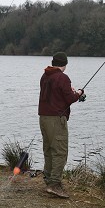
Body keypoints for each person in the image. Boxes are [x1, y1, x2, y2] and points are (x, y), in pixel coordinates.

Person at [38, 52, 85, 199]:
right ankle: (55, 184)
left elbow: (56, 94)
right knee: (60, 151)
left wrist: (69, 91)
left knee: (49, 149)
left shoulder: (45, 76)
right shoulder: (63, 77)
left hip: (43, 118)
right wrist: (79, 93)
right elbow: (70, 98)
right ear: (64, 64)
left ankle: (49, 179)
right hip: (56, 119)